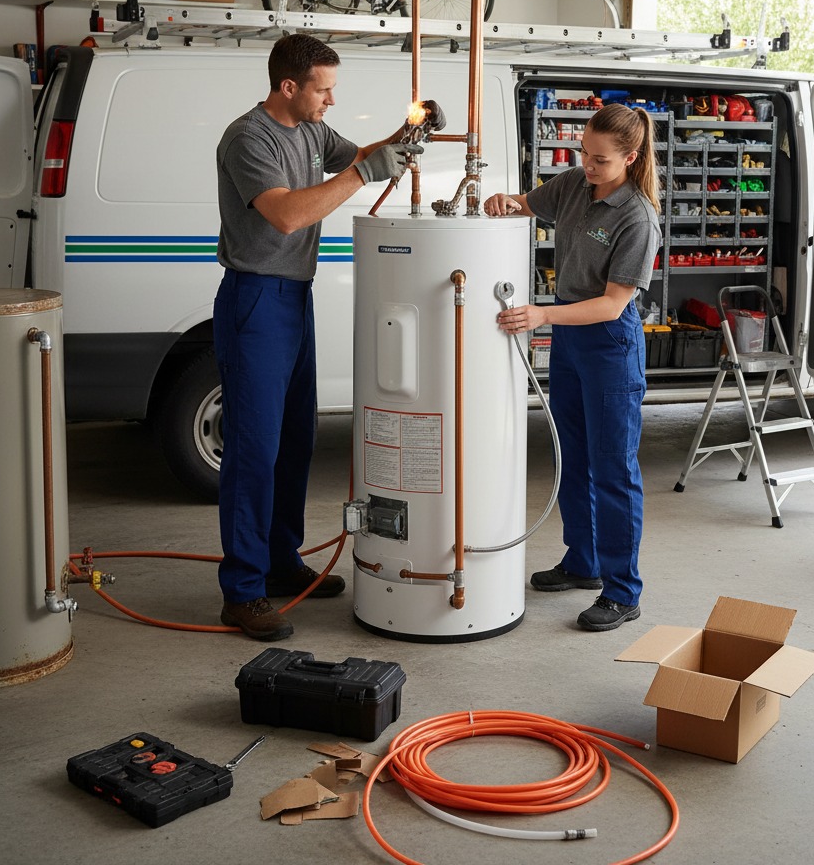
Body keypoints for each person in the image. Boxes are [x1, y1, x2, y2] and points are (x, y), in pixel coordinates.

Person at [214, 33, 444, 641]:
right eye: (324, 89)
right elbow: (288, 213)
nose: (331, 101)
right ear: (288, 86)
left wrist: (407, 135)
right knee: (253, 449)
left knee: (295, 440)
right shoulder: (249, 138)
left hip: (294, 297)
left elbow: (361, 154)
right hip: (255, 298)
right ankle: (241, 590)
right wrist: (366, 171)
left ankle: (281, 563)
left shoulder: (312, 131)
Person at [484, 102, 661, 632]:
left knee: (613, 470)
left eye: (601, 160)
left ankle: (623, 590)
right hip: (570, 340)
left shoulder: (637, 217)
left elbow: (612, 304)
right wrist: (502, 201)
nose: (588, 164)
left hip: (608, 344)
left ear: (630, 158)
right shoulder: (571, 186)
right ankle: (582, 563)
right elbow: (523, 205)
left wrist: (540, 313)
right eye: (584, 152)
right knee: (571, 458)